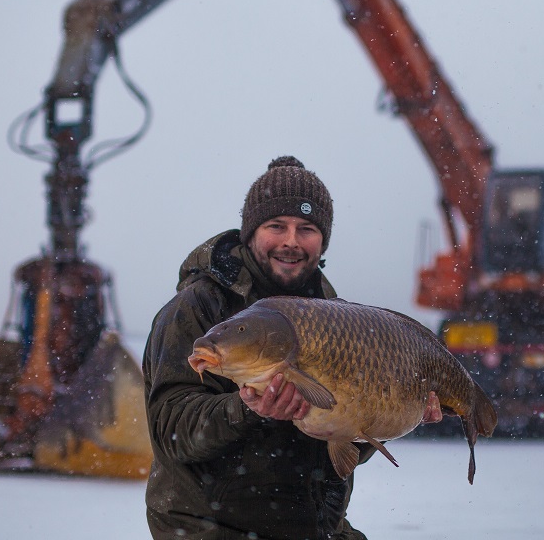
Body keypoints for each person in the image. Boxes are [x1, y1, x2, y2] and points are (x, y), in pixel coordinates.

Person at [143, 156, 373, 539]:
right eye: (276, 226)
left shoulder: (338, 322)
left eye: (307, 228)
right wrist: (245, 408)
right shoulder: (196, 309)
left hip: (314, 528)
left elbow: (345, 447)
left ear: (323, 241)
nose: (291, 241)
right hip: (211, 528)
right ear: (250, 232)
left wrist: (400, 413)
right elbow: (171, 430)